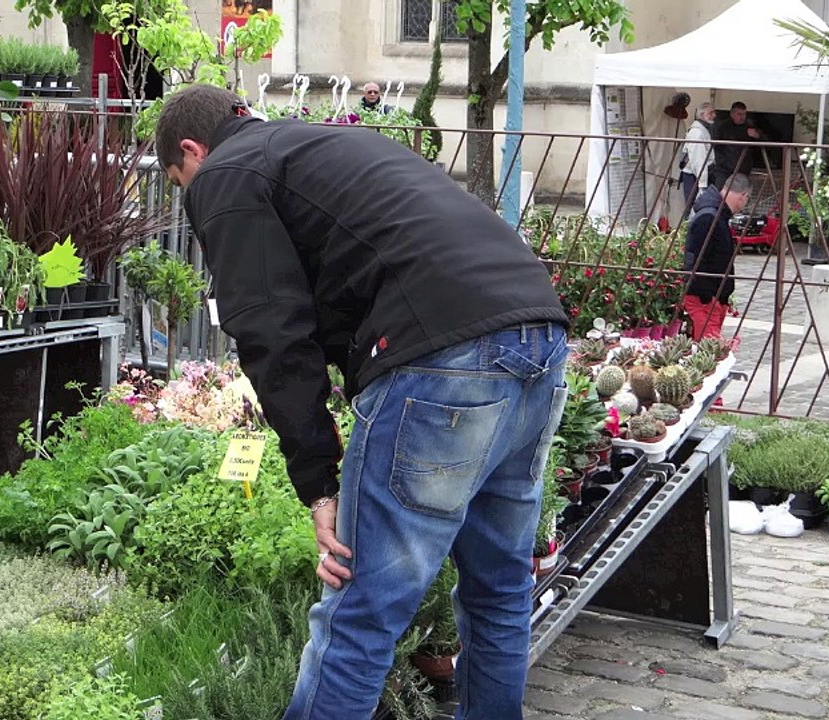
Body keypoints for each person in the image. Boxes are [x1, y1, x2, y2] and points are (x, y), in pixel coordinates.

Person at [155, 84, 570, 720]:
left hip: (440, 356)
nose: (193, 199)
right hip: (537, 333)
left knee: (361, 611)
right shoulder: (326, 143)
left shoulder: (227, 171)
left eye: (182, 182)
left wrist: (320, 484)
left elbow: (272, 334)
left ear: (192, 151)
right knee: (500, 592)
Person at [684, 173, 750, 340]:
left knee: (709, 350)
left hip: (712, 298)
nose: (743, 206)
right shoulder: (709, 217)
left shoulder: (716, 215)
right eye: (747, 200)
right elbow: (695, 259)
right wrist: (708, 297)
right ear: (743, 196)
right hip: (705, 299)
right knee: (707, 352)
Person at [679, 103, 717, 219]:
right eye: (710, 113)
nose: (714, 115)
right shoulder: (697, 132)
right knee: (695, 209)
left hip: (700, 174)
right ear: (701, 115)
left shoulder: (703, 130)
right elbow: (698, 160)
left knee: (700, 207)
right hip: (695, 176)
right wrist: (702, 184)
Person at [710, 101, 761, 188]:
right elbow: (718, 145)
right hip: (724, 170)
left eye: (744, 114)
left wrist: (758, 135)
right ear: (732, 114)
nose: (742, 117)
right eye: (739, 114)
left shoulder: (749, 125)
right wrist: (722, 162)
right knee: (722, 193)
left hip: (743, 169)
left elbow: (764, 142)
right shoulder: (723, 127)